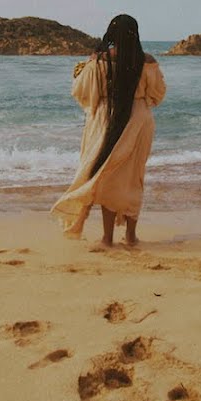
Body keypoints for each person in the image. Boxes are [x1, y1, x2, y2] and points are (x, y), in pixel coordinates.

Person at [51, 14, 166, 247]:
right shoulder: (147, 61)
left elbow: (80, 91)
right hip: (139, 120)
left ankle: (107, 238)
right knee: (133, 178)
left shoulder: (99, 60)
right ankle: (131, 236)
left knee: (107, 177)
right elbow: (158, 93)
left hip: (105, 118)